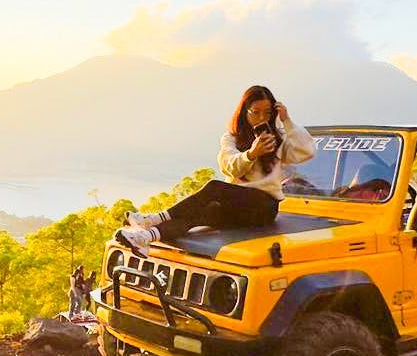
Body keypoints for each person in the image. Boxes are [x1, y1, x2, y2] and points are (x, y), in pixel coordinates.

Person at [115, 85, 316, 257]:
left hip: (264, 208)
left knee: (214, 187)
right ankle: (145, 238)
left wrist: (287, 121)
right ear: (244, 112)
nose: (262, 118)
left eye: (268, 113)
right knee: (199, 215)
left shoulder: (279, 138)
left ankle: (153, 219)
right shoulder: (231, 138)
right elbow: (228, 166)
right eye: (256, 112)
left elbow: (307, 151)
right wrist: (251, 154)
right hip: (237, 207)